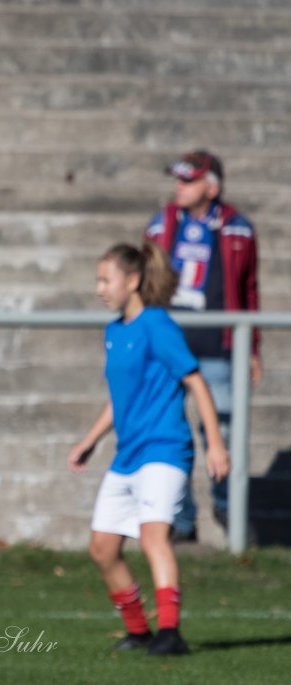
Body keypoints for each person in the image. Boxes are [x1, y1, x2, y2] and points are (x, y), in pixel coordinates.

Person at [67, 241, 230, 656]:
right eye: (98, 280)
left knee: (152, 536)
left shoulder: (158, 326)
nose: (100, 288)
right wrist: (90, 440)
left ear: (133, 280)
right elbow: (120, 398)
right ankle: (139, 632)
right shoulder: (114, 331)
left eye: (107, 280)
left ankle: (170, 633)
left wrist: (215, 444)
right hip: (128, 455)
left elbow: (195, 381)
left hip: (165, 449)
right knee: (102, 548)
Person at [145, 149, 259, 534]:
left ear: (211, 186)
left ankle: (228, 506)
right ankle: (180, 519)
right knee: (169, 431)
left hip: (217, 348)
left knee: (222, 430)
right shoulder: (160, 224)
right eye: (177, 179)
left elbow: (249, 290)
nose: (179, 187)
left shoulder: (238, 228)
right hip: (169, 345)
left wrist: (253, 348)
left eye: (188, 180)